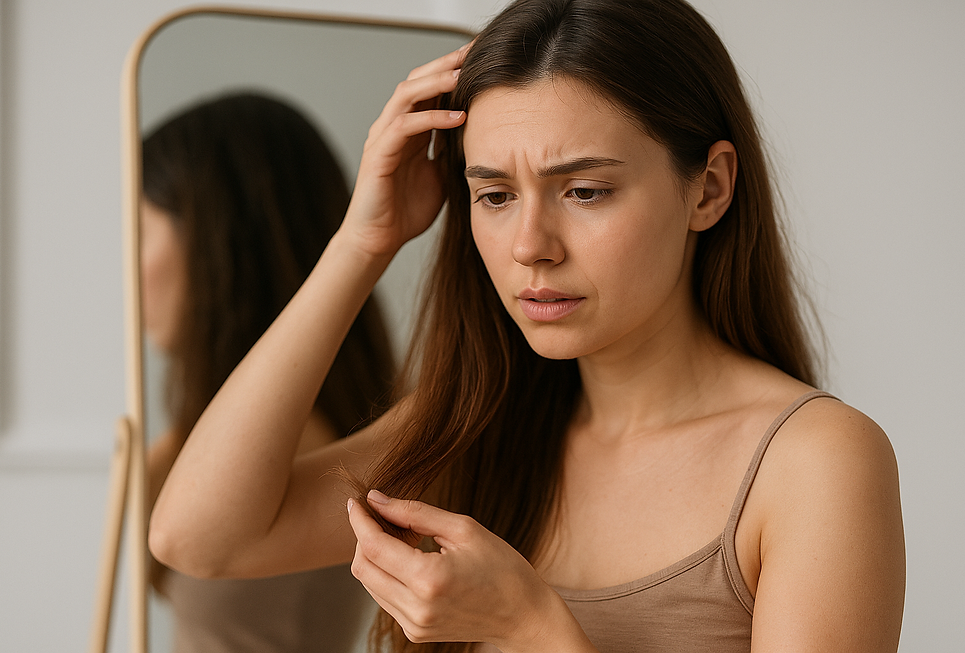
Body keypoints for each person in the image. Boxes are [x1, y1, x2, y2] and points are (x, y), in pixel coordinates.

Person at [149, 2, 906, 651]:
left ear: (708, 189)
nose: (529, 247)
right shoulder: (477, 428)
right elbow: (201, 538)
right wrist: (363, 241)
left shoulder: (814, 463)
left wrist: (530, 626)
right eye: (495, 195)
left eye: (583, 189)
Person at [140, 91, 396, 652]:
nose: (127, 267)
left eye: (138, 233)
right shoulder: (212, 439)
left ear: (213, 243)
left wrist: (360, 246)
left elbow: (187, 538)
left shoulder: (293, 440)